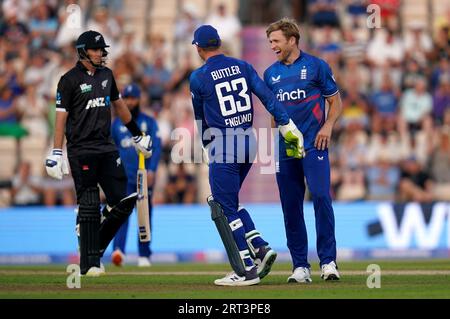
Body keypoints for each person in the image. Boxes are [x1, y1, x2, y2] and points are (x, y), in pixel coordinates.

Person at [189, 25, 305, 286]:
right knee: (227, 201)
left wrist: (208, 145)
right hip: (248, 143)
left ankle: (245, 269)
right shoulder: (243, 66)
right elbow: (268, 97)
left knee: (223, 206)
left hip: (224, 145)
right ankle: (260, 247)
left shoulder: (198, 77)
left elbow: (200, 117)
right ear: (219, 43)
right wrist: (286, 123)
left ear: (198, 47)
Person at [45, 30, 152, 277]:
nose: (101, 53)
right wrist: (56, 151)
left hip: (106, 147)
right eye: (96, 49)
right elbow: (61, 118)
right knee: (90, 202)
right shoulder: (68, 80)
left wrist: (136, 134)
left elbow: (119, 106)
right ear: (83, 51)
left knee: (122, 201)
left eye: (102, 49)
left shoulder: (107, 75)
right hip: (81, 149)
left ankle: (91, 236)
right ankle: (91, 261)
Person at [264, 18, 343, 282]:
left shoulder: (316, 66)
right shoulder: (270, 74)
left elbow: (335, 102)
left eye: (276, 41)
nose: (272, 46)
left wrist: (328, 126)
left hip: (314, 144)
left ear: (292, 40)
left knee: (321, 197)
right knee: (291, 206)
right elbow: (273, 116)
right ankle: (300, 266)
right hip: (287, 147)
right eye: (270, 42)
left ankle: (328, 262)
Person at [110, 83, 161, 267]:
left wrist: (153, 169)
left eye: (133, 98)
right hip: (123, 178)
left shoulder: (149, 122)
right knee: (120, 215)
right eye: (127, 98)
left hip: (143, 178)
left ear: (139, 99)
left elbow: (156, 148)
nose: (130, 102)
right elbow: (111, 150)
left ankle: (144, 255)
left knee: (144, 216)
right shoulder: (116, 124)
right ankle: (118, 252)